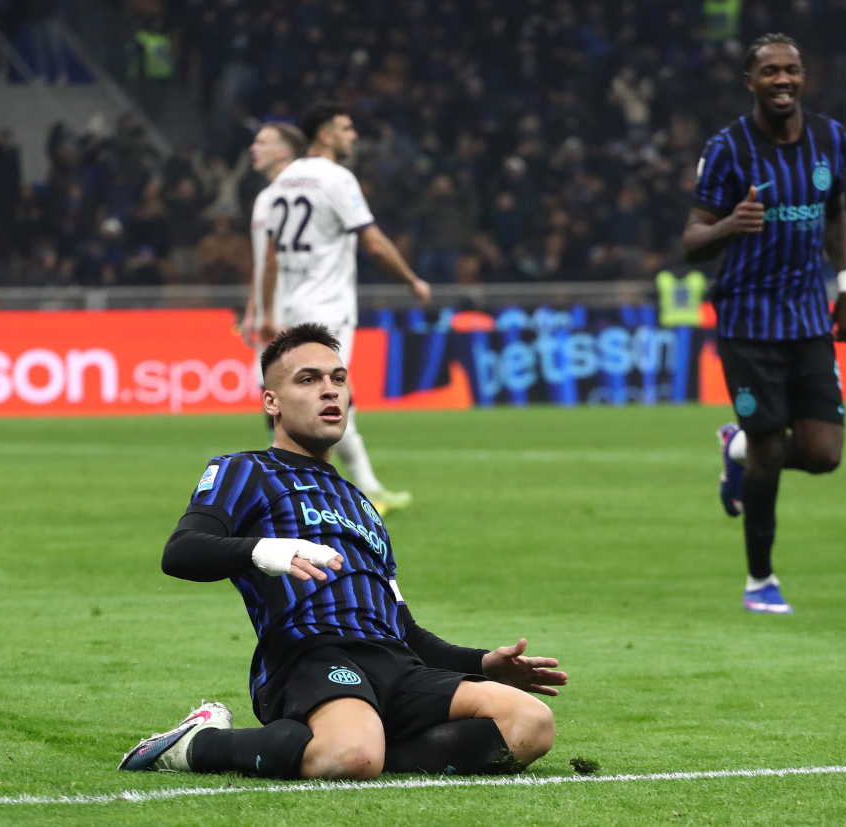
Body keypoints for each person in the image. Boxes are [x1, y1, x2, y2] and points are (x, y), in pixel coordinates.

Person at [119, 324, 564, 780]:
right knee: (354, 755)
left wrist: (482, 663)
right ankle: (196, 742)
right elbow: (181, 552)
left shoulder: (361, 504)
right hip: (310, 656)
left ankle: (354, 745)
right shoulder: (246, 471)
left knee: (530, 724)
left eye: (338, 378)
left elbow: (403, 628)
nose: (329, 391)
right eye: (308, 380)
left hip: (395, 664)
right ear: (272, 401)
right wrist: (264, 551)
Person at [681, 33, 846, 615]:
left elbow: (836, 215)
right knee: (768, 453)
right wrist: (731, 223)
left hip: (809, 317)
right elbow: (692, 242)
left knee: (825, 453)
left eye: (791, 70)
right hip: (748, 321)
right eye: (769, 72)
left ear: (803, 75)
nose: (782, 80)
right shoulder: (728, 149)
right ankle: (760, 582)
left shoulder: (832, 139)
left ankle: (735, 449)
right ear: (750, 82)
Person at [259, 102, 432, 514]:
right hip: (328, 310)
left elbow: (268, 256)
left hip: (291, 304)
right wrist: (410, 280)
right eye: (346, 128)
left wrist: (267, 311)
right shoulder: (337, 178)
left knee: (308, 401)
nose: (353, 135)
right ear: (325, 135)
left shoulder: (281, 183)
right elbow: (372, 242)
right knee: (329, 399)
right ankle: (304, 493)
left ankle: (356, 487)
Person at [240, 122, 307, 349]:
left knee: (315, 382)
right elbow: (262, 262)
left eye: (261, 143)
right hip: (268, 316)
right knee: (269, 385)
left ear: (284, 151)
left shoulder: (303, 196)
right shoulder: (263, 199)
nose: (253, 148)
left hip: (297, 313)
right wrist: (253, 313)